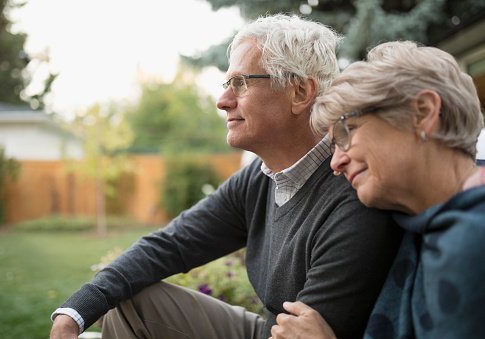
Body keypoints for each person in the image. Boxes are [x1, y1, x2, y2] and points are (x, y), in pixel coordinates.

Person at [50, 15, 403, 339]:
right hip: (268, 331)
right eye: (226, 83)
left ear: (299, 92)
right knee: (134, 301)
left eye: (240, 83)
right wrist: (75, 312)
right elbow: (172, 244)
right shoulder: (260, 178)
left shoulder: (353, 194)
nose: (222, 100)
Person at [270, 40, 485, 339]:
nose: (335, 163)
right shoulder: (420, 227)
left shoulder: (473, 240)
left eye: (346, 131)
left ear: (422, 113)